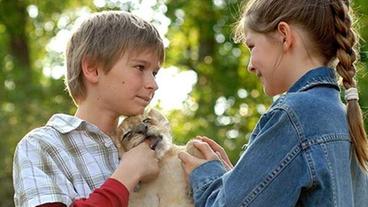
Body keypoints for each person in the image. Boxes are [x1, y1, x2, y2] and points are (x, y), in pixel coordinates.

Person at [179, 0, 368, 206]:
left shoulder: (294, 116)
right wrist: (235, 179)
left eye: (251, 46)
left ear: (284, 36)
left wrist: (207, 176)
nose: (250, 65)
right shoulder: (341, 115)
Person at [13, 11, 164, 207]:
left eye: (154, 72)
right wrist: (128, 174)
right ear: (92, 69)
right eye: (140, 67)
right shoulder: (42, 146)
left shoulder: (150, 147)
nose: (153, 84)